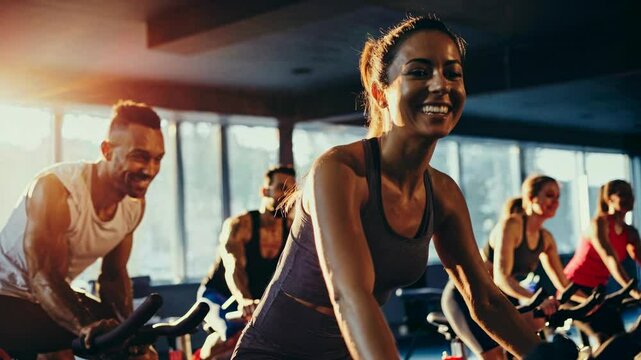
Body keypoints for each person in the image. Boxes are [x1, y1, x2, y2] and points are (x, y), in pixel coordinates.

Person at [232, 15, 556, 360]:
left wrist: (544, 356)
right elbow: (349, 295)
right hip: (275, 352)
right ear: (379, 92)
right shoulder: (340, 171)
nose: (440, 84)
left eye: (453, 73)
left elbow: (486, 300)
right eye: (419, 72)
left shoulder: (444, 195)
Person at [0, 100, 164, 359]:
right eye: (139, 157)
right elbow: (43, 275)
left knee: (128, 345)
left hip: (44, 297)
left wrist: (131, 332)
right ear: (107, 151)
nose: (150, 170)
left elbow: (112, 276)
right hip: (6, 295)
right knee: (90, 335)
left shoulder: (133, 205)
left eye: (157, 159)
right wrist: (84, 326)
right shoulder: (56, 189)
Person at [442, 175, 572, 360]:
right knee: (495, 356)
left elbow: (563, 282)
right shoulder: (512, 225)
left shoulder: (546, 238)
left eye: (558, 197)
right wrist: (534, 299)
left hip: (499, 299)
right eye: (550, 195)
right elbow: (501, 278)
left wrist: (590, 303)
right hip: (467, 296)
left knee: (534, 339)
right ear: (531, 197)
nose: (555, 202)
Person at [196, 166, 296, 360]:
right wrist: (243, 299)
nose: (287, 196)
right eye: (281, 188)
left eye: (292, 190)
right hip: (219, 295)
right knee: (229, 332)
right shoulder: (240, 224)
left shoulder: (292, 229)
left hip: (255, 301)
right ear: (264, 191)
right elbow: (234, 267)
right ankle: (201, 356)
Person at [564, 179, 641, 347]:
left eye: (631, 193)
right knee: (604, 338)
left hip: (597, 292)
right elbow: (609, 258)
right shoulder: (600, 223)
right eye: (622, 194)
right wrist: (635, 292)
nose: (629, 198)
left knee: (623, 340)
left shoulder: (630, 232)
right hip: (573, 289)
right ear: (609, 199)